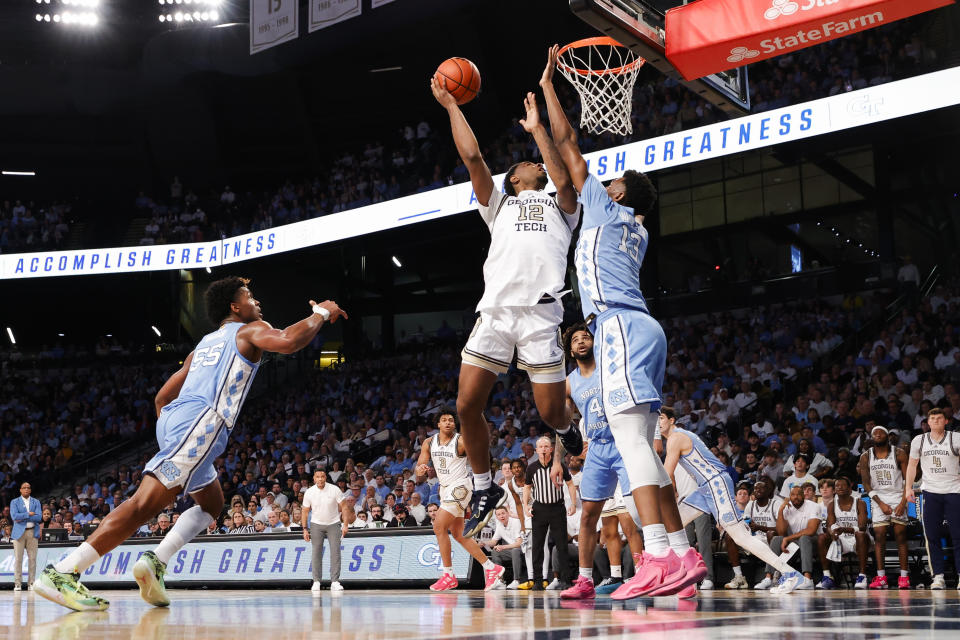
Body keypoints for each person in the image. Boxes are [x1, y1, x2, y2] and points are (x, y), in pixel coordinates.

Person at [34, 276, 346, 611]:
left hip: (173, 420)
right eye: (249, 295)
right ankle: (63, 572)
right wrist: (321, 315)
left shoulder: (205, 345)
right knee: (144, 506)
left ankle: (156, 560)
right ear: (234, 306)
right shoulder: (250, 330)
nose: (257, 301)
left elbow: (161, 398)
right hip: (200, 424)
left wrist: (175, 432)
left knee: (212, 503)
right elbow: (288, 341)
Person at [540, 44, 696, 599]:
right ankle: (681, 555)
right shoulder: (635, 225)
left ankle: (654, 559)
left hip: (619, 327)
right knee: (639, 443)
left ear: (623, 192)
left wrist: (553, 89)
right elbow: (562, 162)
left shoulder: (609, 208)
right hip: (642, 327)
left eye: (612, 183)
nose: (602, 186)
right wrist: (540, 127)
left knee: (634, 445)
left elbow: (568, 147)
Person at [430, 73, 584, 538]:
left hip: (540, 316)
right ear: (513, 178)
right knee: (466, 405)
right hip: (496, 313)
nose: (534, 163)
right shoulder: (497, 205)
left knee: (552, 414)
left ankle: (565, 431)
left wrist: (538, 128)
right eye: (526, 163)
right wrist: (451, 105)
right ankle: (483, 486)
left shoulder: (562, 207)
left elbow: (564, 178)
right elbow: (473, 156)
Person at [659, 408, 811, 594]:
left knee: (741, 537)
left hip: (716, 483)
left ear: (672, 420)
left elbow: (666, 474)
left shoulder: (676, 437)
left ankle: (790, 573)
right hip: (705, 488)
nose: (657, 422)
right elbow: (669, 478)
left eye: (661, 418)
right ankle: (684, 576)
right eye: (655, 419)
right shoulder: (675, 438)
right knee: (673, 525)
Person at [559, 323, 645, 600]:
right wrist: (562, 455)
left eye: (586, 337)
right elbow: (561, 418)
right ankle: (584, 580)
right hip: (597, 448)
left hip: (623, 441)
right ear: (571, 350)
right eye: (576, 339)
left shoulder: (610, 368)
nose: (582, 341)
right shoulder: (569, 382)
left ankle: (650, 571)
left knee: (639, 512)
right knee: (588, 516)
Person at [414, 410, 505, 591]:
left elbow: (481, 457)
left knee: (438, 526)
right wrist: (420, 470)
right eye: (444, 420)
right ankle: (491, 568)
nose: (448, 422)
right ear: (437, 424)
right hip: (445, 489)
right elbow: (419, 472)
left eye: (450, 420)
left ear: (454, 424)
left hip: (461, 487)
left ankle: (448, 575)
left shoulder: (461, 441)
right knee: (458, 534)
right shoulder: (428, 443)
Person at [905, 408, 960, 590]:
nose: (936, 421)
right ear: (927, 422)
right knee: (932, 536)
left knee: (958, 535)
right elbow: (912, 466)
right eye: (933, 418)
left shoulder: (955, 438)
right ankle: (938, 576)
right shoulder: (919, 441)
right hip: (930, 492)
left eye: (939, 418)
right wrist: (908, 488)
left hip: (954, 490)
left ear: (946, 421)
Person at [859, 425, 911, 589]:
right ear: (872, 437)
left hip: (897, 495)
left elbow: (907, 480)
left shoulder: (899, 453)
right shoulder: (865, 457)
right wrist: (880, 503)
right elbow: (866, 483)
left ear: (888, 436)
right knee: (879, 536)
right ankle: (881, 577)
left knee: (900, 535)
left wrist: (903, 502)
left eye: (881, 432)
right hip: (878, 497)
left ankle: (904, 577)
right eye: (875, 433)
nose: (878, 434)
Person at [523, 436, 576, 591]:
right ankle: (538, 581)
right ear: (537, 450)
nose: (544, 449)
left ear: (552, 449)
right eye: (541, 447)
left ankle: (565, 580)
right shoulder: (531, 468)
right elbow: (527, 487)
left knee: (561, 546)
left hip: (557, 508)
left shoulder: (558, 466)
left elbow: (570, 483)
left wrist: (572, 503)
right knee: (537, 546)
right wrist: (526, 505)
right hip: (539, 509)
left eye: (547, 446)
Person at [756, 486, 821, 590]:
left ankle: (807, 580)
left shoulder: (814, 506)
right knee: (776, 539)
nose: (796, 497)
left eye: (799, 494)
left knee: (804, 538)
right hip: (795, 543)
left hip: (813, 542)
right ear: (789, 497)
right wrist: (781, 510)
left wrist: (787, 539)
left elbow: (811, 531)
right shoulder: (786, 507)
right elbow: (781, 532)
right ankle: (768, 578)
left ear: (803, 496)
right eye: (793, 495)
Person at [724, 476, 783, 589]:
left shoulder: (776, 504)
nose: (757, 491)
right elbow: (746, 524)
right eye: (755, 489)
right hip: (754, 539)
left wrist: (759, 527)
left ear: (768, 491)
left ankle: (771, 577)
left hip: (769, 540)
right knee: (730, 536)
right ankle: (739, 577)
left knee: (771, 534)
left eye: (760, 489)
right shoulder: (750, 505)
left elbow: (780, 530)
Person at [302, 470, 354, 593]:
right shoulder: (309, 492)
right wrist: (304, 529)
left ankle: (335, 581)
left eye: (322, 477)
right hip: (316, 524)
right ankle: (316, 581)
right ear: (314, 479)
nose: (320, 479)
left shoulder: (334, 489)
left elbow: (345, 507)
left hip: (333, 523)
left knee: (335, 552)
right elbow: (305, 511)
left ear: (326, 478)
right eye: (317, 477)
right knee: (316, 553)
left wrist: (345, 524)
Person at [816, 476, 871, 589]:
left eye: (843, 485)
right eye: (837, 486)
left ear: (850, 489)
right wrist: (832, 533)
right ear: (835, 490)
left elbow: (862, 528)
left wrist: (843, 529)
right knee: (822, 537)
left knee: (860, 535)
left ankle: (862, 576)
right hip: (842, 540)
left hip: (860, 540)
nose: (840, 487)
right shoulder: (832, 505)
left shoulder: (859, 503)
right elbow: (831, 525)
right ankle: (827, 576)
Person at [11, 482, 42, 591]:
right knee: (18, 559)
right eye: (24, 487)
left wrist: (22, 517)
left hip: (32, 532)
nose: (26, 489)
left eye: (28, 488)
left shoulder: (36, 502)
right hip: (18, 533)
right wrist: (29, 514)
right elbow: (15, 516)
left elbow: (39, 518)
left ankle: (31, 583)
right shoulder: (14, 502)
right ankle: (18, 584)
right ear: (20, 490)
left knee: (32, 559)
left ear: (30, 490)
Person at [484, 506, 524, 587]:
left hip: (523, 551)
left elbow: (519, 543)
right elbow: (494, 542)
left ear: (508, 514)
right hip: (511, 551)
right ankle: (500, 581)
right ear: (497, 517)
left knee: (515, 550)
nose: (501, 516)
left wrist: (503, 547)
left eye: (503, 513)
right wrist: (483, 543)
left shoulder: (516, 522)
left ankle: (517, 580)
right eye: (498, 514)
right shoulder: (499, 525)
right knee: (496, 551)